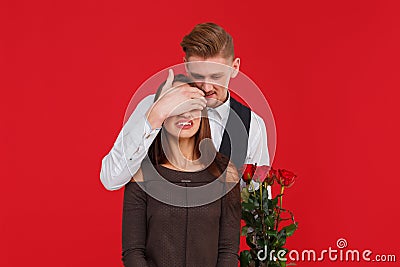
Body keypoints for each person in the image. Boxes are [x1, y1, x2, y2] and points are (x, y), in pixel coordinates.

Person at [100, 22, 270, 191]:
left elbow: (259, 205)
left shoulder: (252, 125)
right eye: (197, 75)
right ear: (186, 67)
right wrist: (156, 115)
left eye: (216, 76)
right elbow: (111, 179)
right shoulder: (152, 106)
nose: (207, 87)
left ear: (235, 68)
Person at [122, 75, 241, 266]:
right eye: (175, 105)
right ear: (160, 113)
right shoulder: (141, 175)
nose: (185, 114)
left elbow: (228, 251)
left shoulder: (225, 173)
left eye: (191, 105)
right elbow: (133, 252)